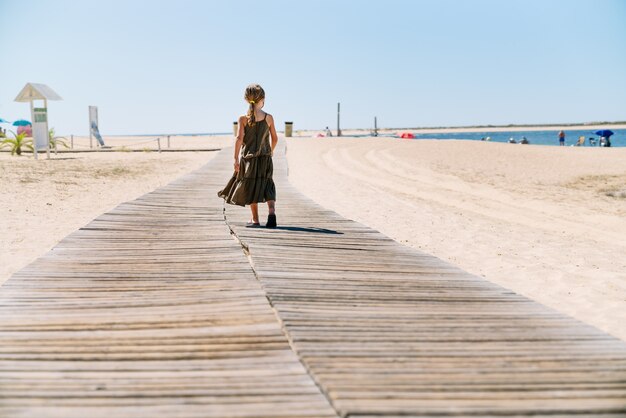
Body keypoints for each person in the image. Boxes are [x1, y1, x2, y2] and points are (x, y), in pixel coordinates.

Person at [218, 84, 278, 228]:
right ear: (262, 99)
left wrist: (235, 158)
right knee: (267, 183)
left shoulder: (243, 119)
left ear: (246, 100)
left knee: (251, 185)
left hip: (248, 159)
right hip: (265, 158)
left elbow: (239, 139)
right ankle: (271, 213)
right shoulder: (268, 118)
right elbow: (275, 139)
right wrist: (271, 151)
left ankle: (255, 219)